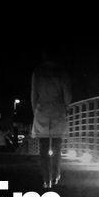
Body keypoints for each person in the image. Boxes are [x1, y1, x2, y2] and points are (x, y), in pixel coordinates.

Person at [31, 49, 71, 188]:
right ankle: (55, 175)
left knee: (43, 147)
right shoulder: (61, 71)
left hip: (42, 110)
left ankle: (46, 179)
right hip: (58, 111)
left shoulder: (38, 71)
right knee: (56, 145)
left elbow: (33, 94)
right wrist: (67, 107)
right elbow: (67, 93)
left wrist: (35, 110)